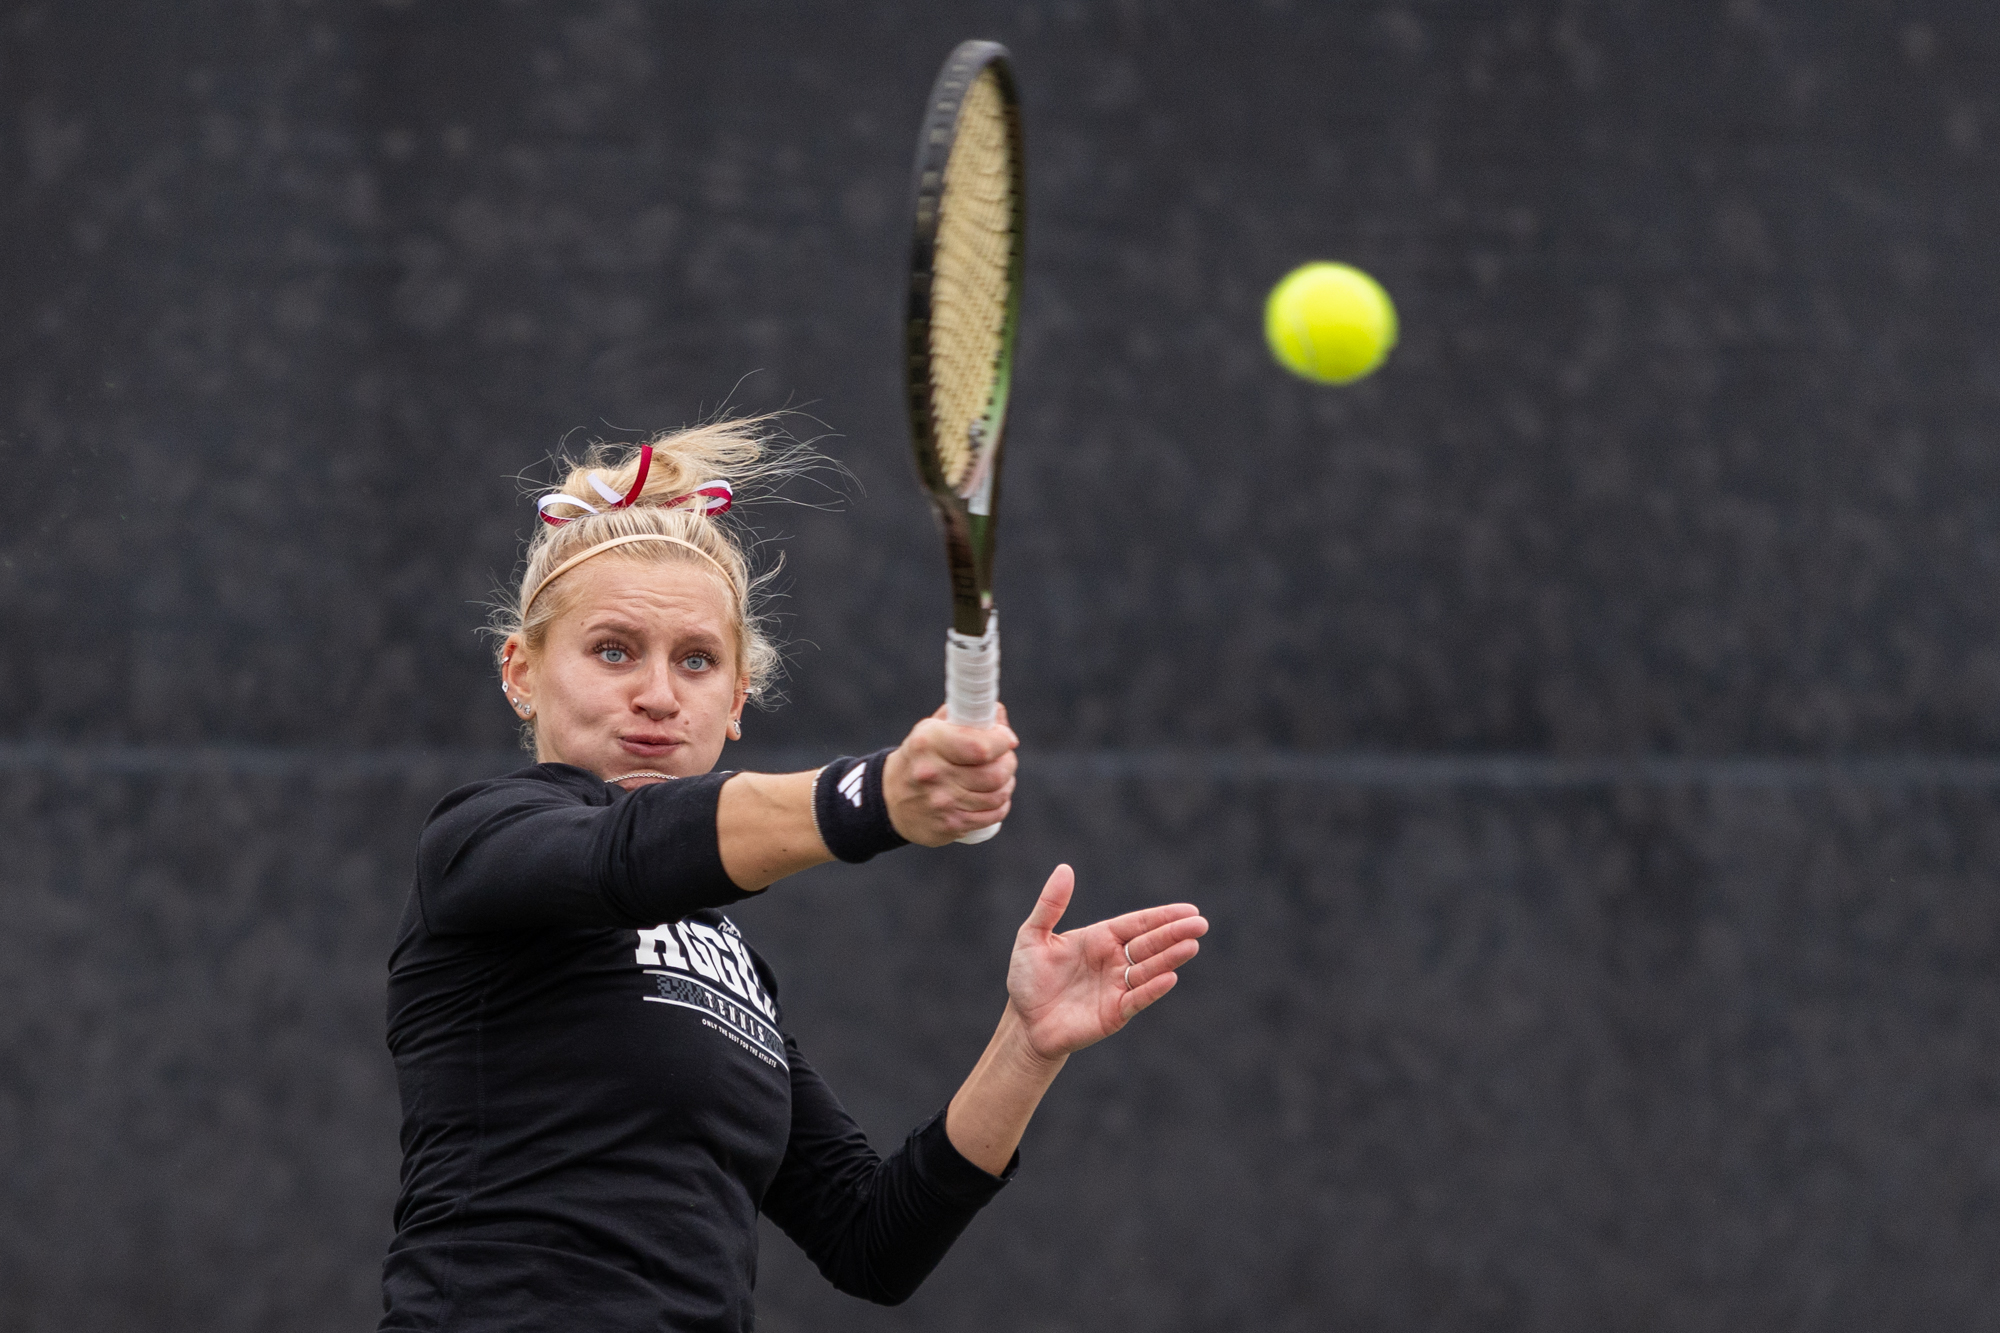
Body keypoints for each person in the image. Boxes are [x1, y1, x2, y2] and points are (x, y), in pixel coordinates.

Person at [378, 418, 1208, 1332]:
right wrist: (879, 796)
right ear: (521, 671)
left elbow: (870, 1239)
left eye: (697, 661)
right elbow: (628, 852)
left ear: (735, 700)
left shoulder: (727, 962)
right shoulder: (476, 841)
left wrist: (1028, 1042)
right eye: (613, 649)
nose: (658, 693)